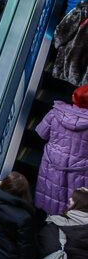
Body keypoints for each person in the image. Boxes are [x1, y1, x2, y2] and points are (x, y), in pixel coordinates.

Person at [34, 85, 88, 215]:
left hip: (52, 165)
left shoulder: (55, 113)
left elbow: (42, 133)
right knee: (74, 204)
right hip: (80, 171)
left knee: (51, 196)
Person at [37, 187, 88, 259]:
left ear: (76, 204)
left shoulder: (54, 228)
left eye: (73, 199)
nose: (69, 200)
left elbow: (39, 252)